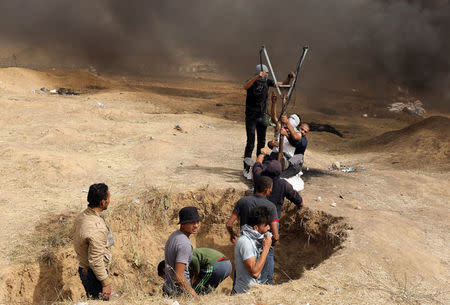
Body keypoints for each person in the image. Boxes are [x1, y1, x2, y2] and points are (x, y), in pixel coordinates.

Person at [243, 64, 295, 178]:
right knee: (250, 142)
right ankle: (246, 168)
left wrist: (289, 77)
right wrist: (257, 77)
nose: (265, 75)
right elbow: (245, 87)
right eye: (264, 73)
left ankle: (258, 165)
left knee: (261, 142)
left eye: (266, 74)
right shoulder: (251, 81)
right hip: (251, 117)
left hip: (262, 116)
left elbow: (281, 84)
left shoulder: (267, 82)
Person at [226, 176, 279, 285]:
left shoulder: (242, 201)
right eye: (271, 188)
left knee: (240, 279)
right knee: (265, 282)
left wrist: (232, 234)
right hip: (263, 246)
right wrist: (271, 243)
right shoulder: (271, 206)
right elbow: (276, 236)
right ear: (266, 189)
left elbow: (229, 224)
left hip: (245, 244)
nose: (271, 190)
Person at [73, 183, 114, 300]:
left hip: (84, 268)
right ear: (103, 202)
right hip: (93, 273)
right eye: (108, 198)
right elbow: (95, 259)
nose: (109, 200)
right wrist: (105, 283)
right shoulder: (97, 228)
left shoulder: (82, 216)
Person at [163, 206, 203, 299]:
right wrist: (194, 295)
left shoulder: (175, 235)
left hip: (169, 289)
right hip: (179, 293)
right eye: (192, 222)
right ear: (183, 224)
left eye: (197, 222)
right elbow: (179, 276)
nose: (196, 225)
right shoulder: (184, 243)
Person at [232, 206, 273, 294]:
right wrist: (266, 248)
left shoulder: (255, 239)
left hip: (252, 292)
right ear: (255, 228)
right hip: (243, 295)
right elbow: (255, 273)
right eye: (266, 225)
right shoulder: (245, 242)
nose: (269, 228)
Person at [252, 151, 304, 219]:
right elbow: (299, 201)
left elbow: (257, 163)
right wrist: (301, 202)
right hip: (273, 219)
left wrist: (262, 153)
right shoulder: (283, 184)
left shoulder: (258, 176)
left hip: (256, 217)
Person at [158, 248, 232, 295]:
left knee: (194, 292)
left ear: (166, 269)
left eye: (166, 276)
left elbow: (194, 260)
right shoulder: (180, 266)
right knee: (204, 291)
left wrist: (196, 276)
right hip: (226, 266)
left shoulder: (179, 260)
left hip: (217, 265)